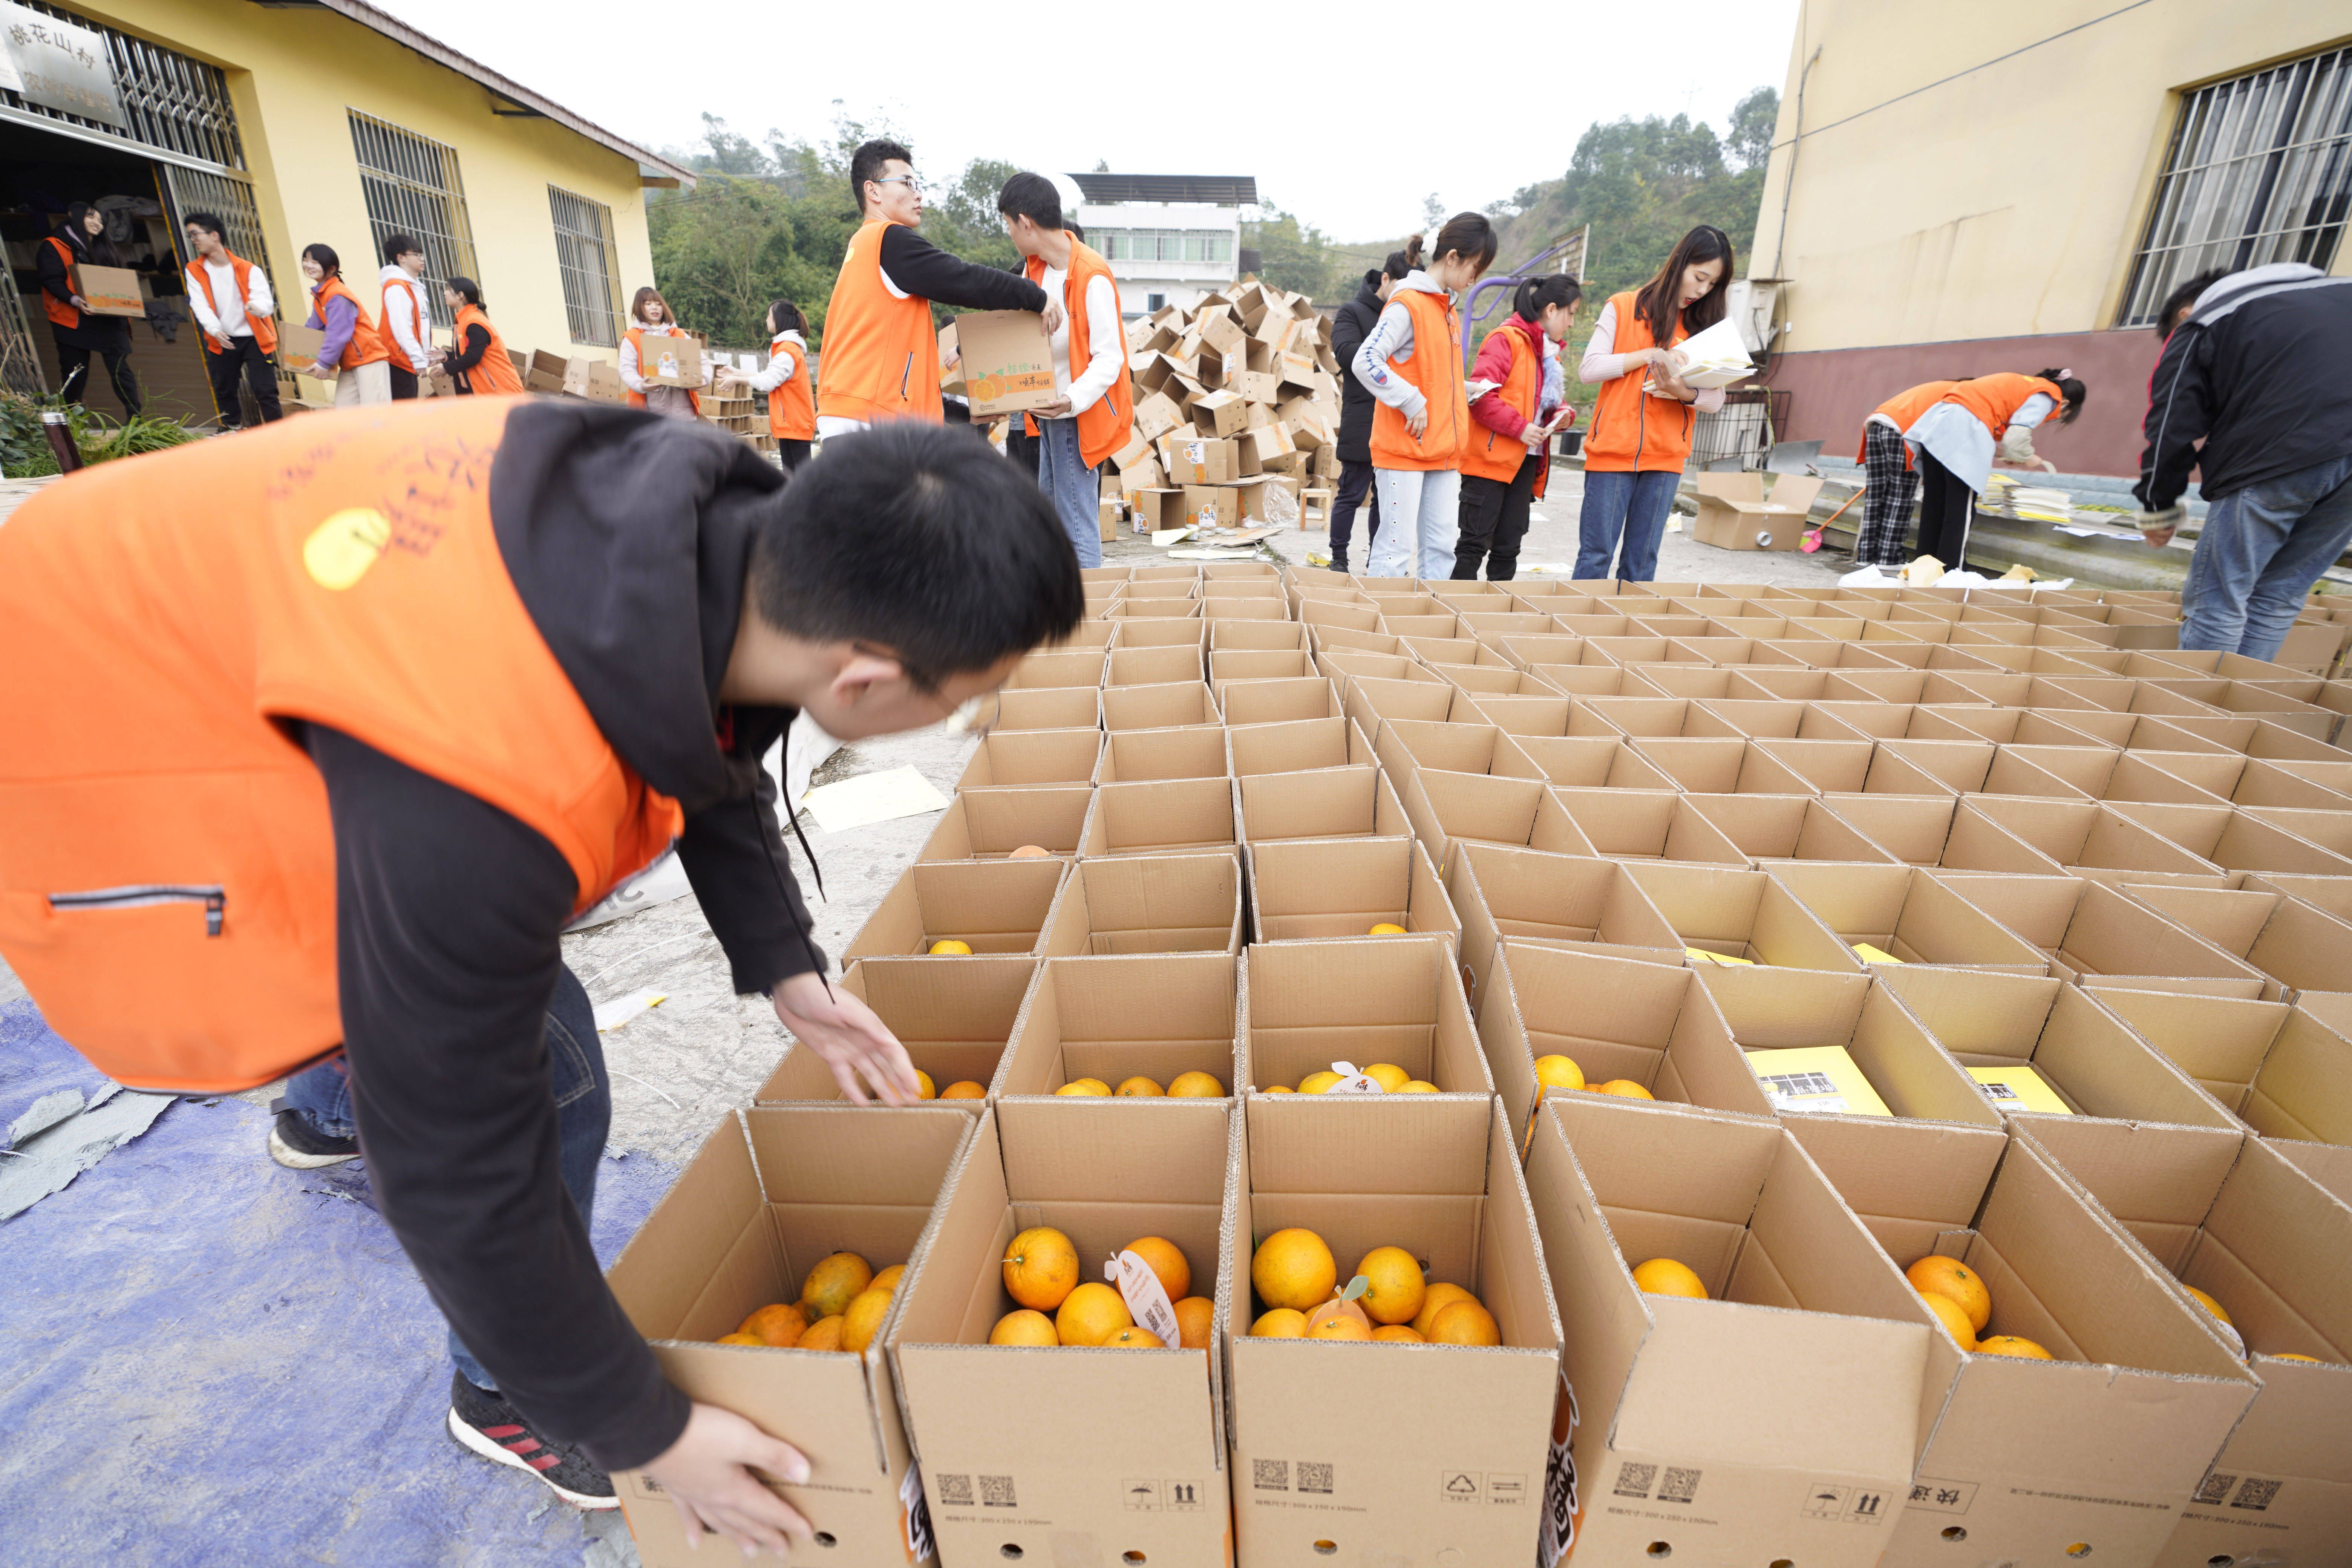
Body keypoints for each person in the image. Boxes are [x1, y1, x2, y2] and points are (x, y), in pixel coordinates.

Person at [0, 402, 1084, 1553]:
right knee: (543, 1070)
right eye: (960, 699)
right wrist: (642, 1424)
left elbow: (709, 737)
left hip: (235, 610)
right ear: (866, 681)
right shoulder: (480, 788)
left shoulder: (709, 521)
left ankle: (322, 1108)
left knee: (418, 968)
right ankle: (499, 1394)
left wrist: (787, 971)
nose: (961, 719)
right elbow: (453, 1161)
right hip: (92, 701)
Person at [2132, 262, 2352, 661]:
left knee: (2219, 598)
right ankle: (2231, 713)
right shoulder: (2338, 294)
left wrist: (2159, 510)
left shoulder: (2204, 322)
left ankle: (2192, 713)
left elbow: (2170, 426)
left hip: (2276, 456)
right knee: (2279, 595)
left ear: (2185, 312)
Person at [816, 138, 1056, 436]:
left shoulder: (864, 246)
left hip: (859, 415)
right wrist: (1036, 296)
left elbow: (899, 369)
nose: (918, 195)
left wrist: (964, 415)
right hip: (873, 422)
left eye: (918, 185)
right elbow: (963, 279)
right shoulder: (890, 240)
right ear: (873, 190)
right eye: (906, 183)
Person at [1576, 225, 1738, 581]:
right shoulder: (1623, 306)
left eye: (1712, 285)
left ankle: (1626, 635)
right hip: (1612, 454)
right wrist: (1649, 354)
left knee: (1642, 562)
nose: (1702, 290)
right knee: (1595, 557)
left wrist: (1683, 392)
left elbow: (1717, 399)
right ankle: (1578, 634)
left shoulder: (1704, 327)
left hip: (1665, 459)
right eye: (1699, 277)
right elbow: (1589, 369)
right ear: (1679, 263)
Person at [1349, 214, 1497, 580]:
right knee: (1395, 550)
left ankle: (1428, 630)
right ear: (1451, 258)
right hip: (1404, 449)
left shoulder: (1445, 309)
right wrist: (1411, 400)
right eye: (1474, 268)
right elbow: (1365, 360)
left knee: (1441, 550)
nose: (1474, 279)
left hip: (1444, 449)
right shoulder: (1408, 303)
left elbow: (1425, 371)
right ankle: (1378, 632)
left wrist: (1460, 391)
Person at [999, 172, 1132, 569]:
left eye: (1009, 226)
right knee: (1056, 517)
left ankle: (1089, 613)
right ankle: (1063, 607)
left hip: (1077, 414)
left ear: (1025, 222)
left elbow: (1110, 357)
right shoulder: (1035, 270)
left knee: (1076, 523)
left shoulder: (1091, 274)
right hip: (1048, 411)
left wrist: (1072, 399)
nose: (1010, 235)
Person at [1852, 369, 2085, 570]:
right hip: (1956, 428)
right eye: (2058, 418)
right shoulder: (2048, 395)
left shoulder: (2014, 385)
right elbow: (2018, 434)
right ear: (2064, 404)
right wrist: (2029, 457)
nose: (2051, 418)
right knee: (1959, 507)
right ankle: (1951, 571)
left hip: (1934, 429)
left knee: (1935, 502)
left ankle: (1924, 567)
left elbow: (1985, 428)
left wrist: (2010, 452)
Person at [1456, 274, 1581, 581]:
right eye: (1572, 314)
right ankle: (1453, 615)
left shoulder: (1550, 352)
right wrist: (1520, 428)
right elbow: (1480, 398)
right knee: (1473, 545)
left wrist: (1564, 415)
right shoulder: (1506, 339)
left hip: (1528, 460)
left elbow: (1549, 402)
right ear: (1552, 309)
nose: (1572, 324)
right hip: (1490, 462)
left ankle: (1497, 616)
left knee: (1509, 547)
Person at [1327, 254, 1406, 573]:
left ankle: (1377, 559)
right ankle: (1339, 557)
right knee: (1351, 492)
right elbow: (1345, 353)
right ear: (1385, 280)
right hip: (1362, 418)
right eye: (1401, 287)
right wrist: (1381, 350)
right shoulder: (1352, 311)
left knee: (1384, 501)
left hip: (1395, 417)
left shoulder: (1403, 314)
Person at [36, 202, 142, 417]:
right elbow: (51, 280)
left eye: (101, 221)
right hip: (73, 319)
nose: (97, 223)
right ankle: (74, 423)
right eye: (91, 217)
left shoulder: (105, 248)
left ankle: (136, 421)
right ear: (72, 216)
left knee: (121, 371)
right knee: (74, 375)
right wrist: (75, 300)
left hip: (109, 319)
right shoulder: (54, 245)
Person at [184, 211, 282, 428]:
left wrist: (256, 307)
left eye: (195, 234)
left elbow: (266, 302)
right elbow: (199, 304)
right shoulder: (194, 270)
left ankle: (279, 433)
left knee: (265, 390)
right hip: (222, 338)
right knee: (224, 387)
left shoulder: (249, 269)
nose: (193, 240)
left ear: (215, 235)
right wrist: (214, 329)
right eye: (191, 236)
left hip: (255, 338)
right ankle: (232, 428)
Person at [297, 243, 393, 407]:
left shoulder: (337, 294)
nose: (308, 265)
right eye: (306, 260)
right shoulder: (321, 295)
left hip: (369, 360)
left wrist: (323, 363)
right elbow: (313, 329)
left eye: (315, 262)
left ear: (332, 268)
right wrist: (298, 352)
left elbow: (338, 334)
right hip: (350, 363)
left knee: (376, 416)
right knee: (345, 416)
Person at [746, 298, 815, 470]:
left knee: (800, 482)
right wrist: (736, 374)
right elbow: (769, 377)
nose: (766, 320)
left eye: (768, 316)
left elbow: (768, 382)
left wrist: (738, 378)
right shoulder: (786, 349)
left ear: (778, 320)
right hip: (791, 423)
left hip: (795, 423)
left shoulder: (787, 351)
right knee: (794, 480)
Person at [621, 288, 708, 420]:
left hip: (683, 414)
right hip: (649, 414)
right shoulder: (632, 337)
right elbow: (626, 368)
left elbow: (703, 361)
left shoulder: (679, 334)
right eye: (648, 304)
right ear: (639, 307)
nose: (654, 308)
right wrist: (641, 385)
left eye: (658, 304)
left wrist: (702, 380)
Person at [440, 277, 524, 395]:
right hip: (486, 392)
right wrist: (446, 356)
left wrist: (445, 368)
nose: (445, 293)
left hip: (499, 392)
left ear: (460, 295)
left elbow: (473, 357)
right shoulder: (463, 320)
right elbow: (467, 354)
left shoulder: (474, 322)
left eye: (448, 289)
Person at [379, 232, 436, 400]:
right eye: (417, 255)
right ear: (401, 258)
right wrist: (418, 358)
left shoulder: (414, 287)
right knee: (402, 414)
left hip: (407, 361)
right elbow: (401, 328)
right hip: (397, 361)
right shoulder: (397, 288)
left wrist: (423, 356)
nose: (422, 259)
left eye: (421, 255)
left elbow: (422, 328)